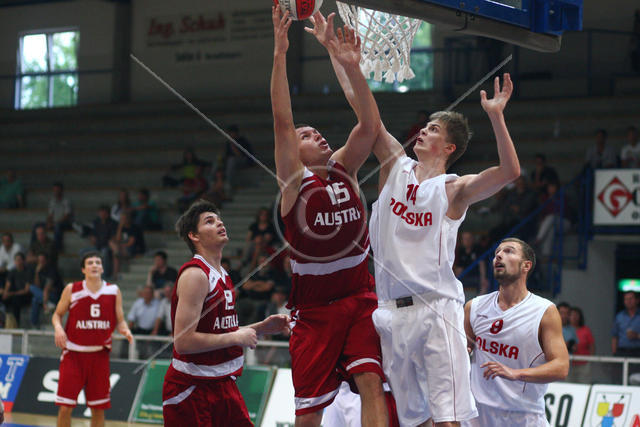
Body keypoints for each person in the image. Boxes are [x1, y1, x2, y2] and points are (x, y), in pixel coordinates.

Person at [364, 66, 519, 426]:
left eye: (433, 129)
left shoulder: (454, 189)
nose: (423, 130)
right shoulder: (396, 167)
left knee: (447, 419)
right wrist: (347, 63)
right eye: (425, 126)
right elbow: (368, 117)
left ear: (449, 148)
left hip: (436, 310)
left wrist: (496, 117)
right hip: (390, 313)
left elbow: (509, 172)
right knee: (415, 421)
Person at [272, 10, 389, 426]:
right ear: (295, 150)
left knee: (371, 382)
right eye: (306, 136)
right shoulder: (294, 182)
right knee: (310, 414)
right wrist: (281, 53)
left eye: (317, 131)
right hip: (315, 311)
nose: (316, 135)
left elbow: (370, 125)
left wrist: (349, 65)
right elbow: (282, 122)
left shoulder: (345, 168)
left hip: (359, 298)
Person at [162, 200, 289, 425]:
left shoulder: (222, 274)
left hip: (223, 383)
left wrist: (261, 328)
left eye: (219, 220)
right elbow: (183, 341)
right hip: (192, 388)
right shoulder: (195, 275)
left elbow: (219, 331)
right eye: (209, 221)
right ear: (194, 236)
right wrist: (235, 337)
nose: (220, 223)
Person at [462, 238, 569, 426]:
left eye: (508, 251)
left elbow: (561, 367)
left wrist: (516, 373)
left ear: (526, 266)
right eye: (497, 252)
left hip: (524, 416)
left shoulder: (545, 311)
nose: (499, 255)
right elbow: (463, 350)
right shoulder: (474, 307)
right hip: (478, 415)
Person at [51, 251, 133, 427]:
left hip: (99, 357)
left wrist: (125, 330)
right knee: (65, 407)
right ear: (83, 269)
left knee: (98, 409)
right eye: (90, 263)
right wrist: (58, 329)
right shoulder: (72, 289)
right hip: (73, 355)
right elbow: (57, 315)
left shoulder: (113, 291)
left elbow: (120, 320)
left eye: (98, 262)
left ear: (102, 268)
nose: (94, 265)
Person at [3, 252, 32, 327]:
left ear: (23, 261)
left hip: (25, 296)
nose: (18, 262)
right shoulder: (12, 271)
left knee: (15, 301)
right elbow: (8, 285)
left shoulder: (28, 272)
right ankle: (3, 323)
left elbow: (26, 290)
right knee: (4, 299)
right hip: (13, 294)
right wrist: (5, 294)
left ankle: (16, 325)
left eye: (19, 260)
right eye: (16, 260)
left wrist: (12, 294)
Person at [568, 306, 595, 383]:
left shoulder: (586, 330)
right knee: (569, 385)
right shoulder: (565, 330)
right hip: (569, 364)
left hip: (584, 363)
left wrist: (590, 360)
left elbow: (592, 345)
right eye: (572, 315)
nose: (574, 317)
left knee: (584, 385)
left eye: (576, 315)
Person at [611, 291, 640, 358]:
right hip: (622, 351)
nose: (628, 301)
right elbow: (614, 336)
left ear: (637, 300)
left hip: (638, 351)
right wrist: (614, 353)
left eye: (631, 299)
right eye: (626, 299)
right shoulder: (619, 317)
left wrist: (637, 335)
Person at [47, 182, 73, 250]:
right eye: (54, 190)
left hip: (65, 223)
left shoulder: (66, 201)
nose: (56, 192)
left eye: (57, 190)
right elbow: (50, 214)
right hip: (55, 223)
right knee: (38, 226)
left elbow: (67, 216)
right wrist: (49, 222)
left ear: (61, 190)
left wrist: (55, 223)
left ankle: (57, 248)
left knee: (57, 226)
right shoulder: (52, 201)